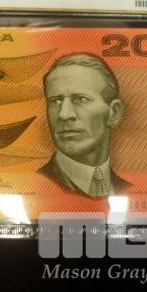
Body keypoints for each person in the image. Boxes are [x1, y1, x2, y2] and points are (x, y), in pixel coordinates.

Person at [38, 52, 131, 197]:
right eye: (56, 101)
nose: (64, 114)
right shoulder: (36, 186)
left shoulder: (126, 190)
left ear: (114, 113)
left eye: (80, 99)